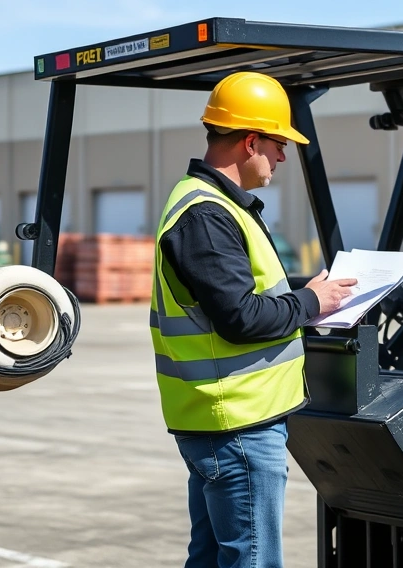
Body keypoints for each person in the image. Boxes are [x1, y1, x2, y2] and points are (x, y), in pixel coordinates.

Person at [149, 71, 356, 568]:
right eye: (279, 143)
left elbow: (240, 294)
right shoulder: (206, 215)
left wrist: (308, 290)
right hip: (237, 424)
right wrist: (313, 303)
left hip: (222, 420)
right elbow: (240, 318)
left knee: (211, 556)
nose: (284, 155)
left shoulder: (213, 206)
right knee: (252, 559)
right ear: (249, 141)